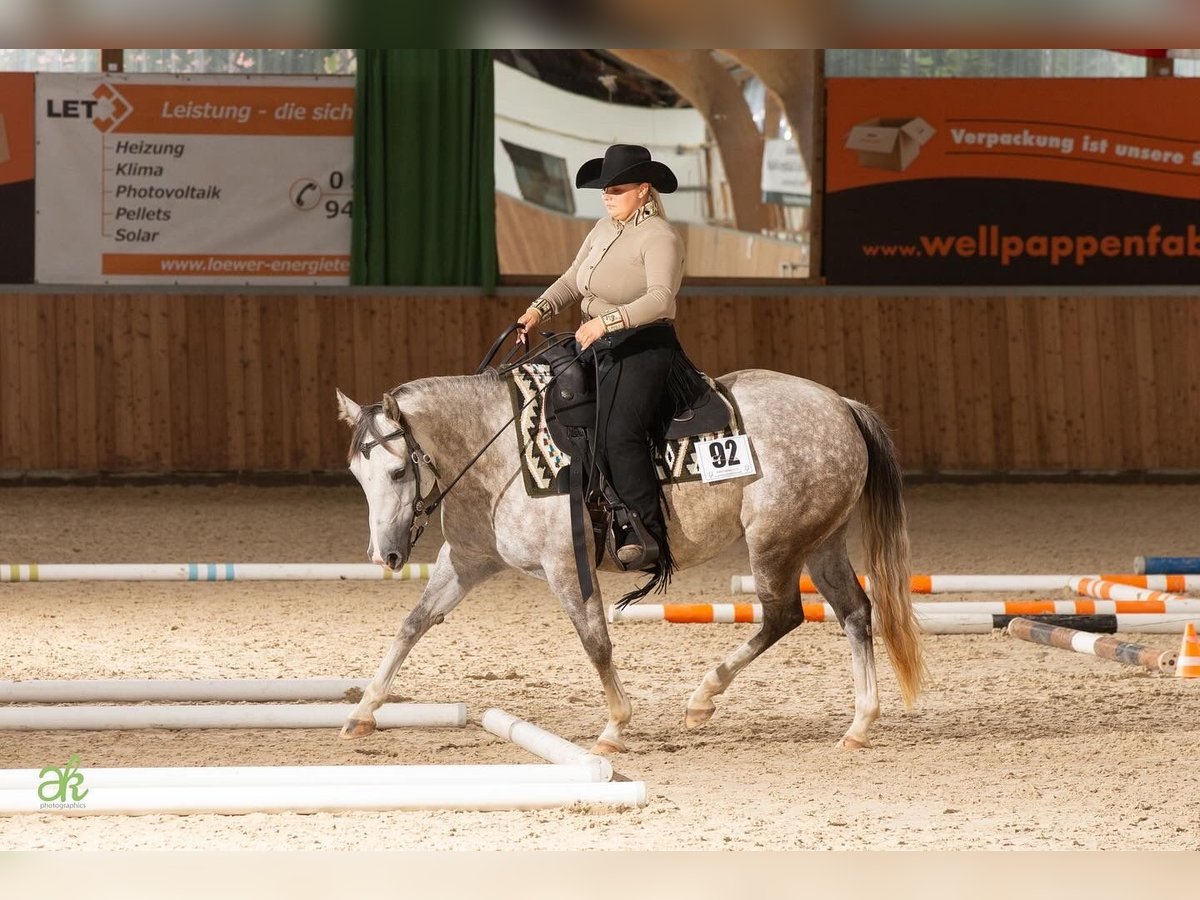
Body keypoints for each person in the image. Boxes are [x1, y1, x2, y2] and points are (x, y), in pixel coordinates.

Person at [516, 144, 706, 595]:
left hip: (641, 345)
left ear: (643, 190)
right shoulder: (603, 228)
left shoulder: (660, 236)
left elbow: (661, 298)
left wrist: (607, 321)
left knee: (618, 430)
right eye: (604, 188)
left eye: (617, 188)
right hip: (597, 340)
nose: (607, 195)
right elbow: (571, 278)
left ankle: (644, 531)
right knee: (556, 409)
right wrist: (537, 310)